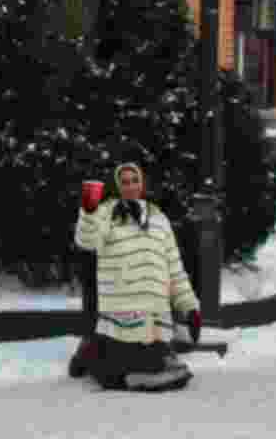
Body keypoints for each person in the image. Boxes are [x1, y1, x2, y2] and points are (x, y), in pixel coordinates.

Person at [72, 162, 202, 391]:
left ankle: (107, 360)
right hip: (121, 313)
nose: (130, 186)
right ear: (117, 185)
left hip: (154, 316)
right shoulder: (107, 213)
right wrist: (89, 211)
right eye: (124, 182)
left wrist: (189, 307)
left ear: (142, 184)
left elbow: (174, 267)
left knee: (160, 365)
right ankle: (95, 357)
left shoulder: (159, 219)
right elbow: (87, 241)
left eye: (135, 181)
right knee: (122, 368)